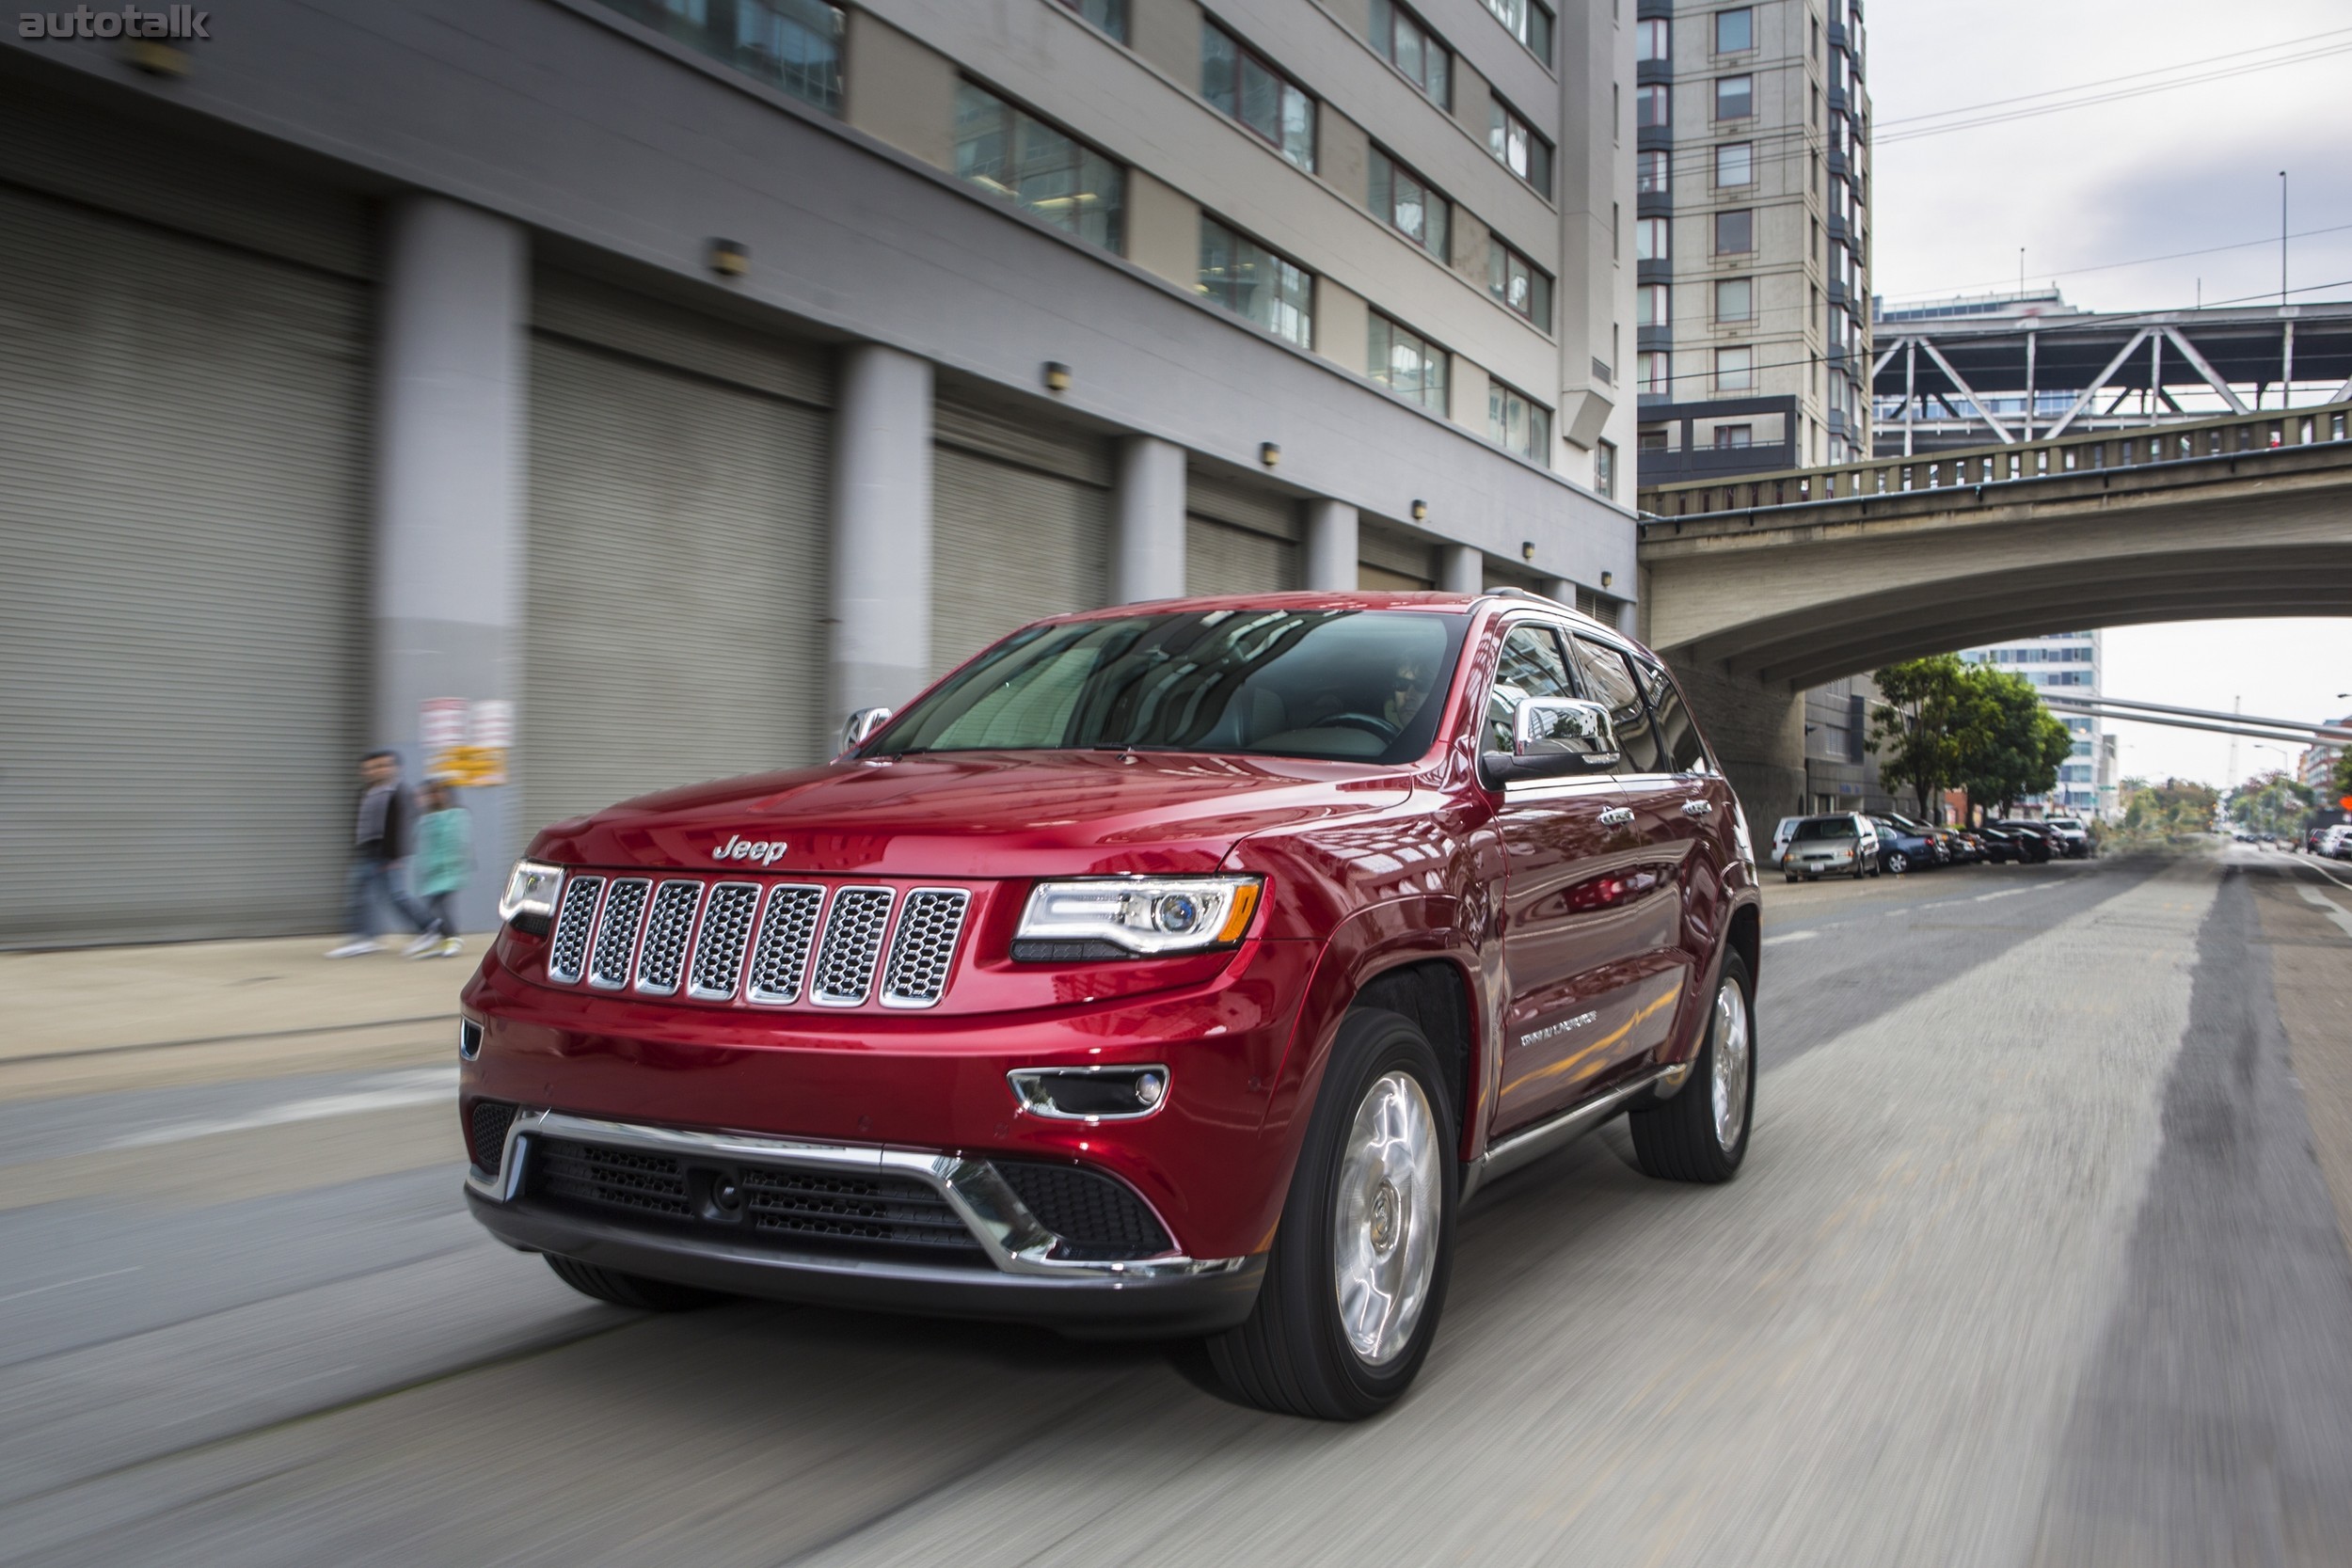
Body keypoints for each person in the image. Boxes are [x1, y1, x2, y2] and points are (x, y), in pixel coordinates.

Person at [326, 751, 434, 958]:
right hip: (367, 851)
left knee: (397, 896)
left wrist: (395, 856)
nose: (377, 771)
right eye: (371, 768)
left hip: (389, 853)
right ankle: (364, 939)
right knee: (358, 896)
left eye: (383, 766)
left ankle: (430, 929)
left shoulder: (401, 793)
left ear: (395, 768)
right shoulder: (364, 793)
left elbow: (404, 826)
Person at [409, 778, 473, 959]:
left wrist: (456, 864)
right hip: (431, 872)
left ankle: (452, 938)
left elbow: (460, 842)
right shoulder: (426, 817)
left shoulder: (457, 815)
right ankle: (441, 937)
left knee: (438, 906)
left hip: (449, 871)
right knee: (433, 906)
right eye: (432, 792)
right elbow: (421, 842)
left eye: (439, 791)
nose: (435, 796)